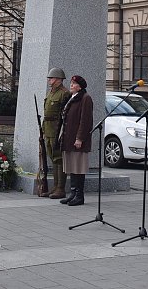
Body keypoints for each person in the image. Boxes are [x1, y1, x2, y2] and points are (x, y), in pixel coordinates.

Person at [58, 75, 93, 206]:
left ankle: (79, 195)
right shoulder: (72, 98)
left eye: (73, 84)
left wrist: (79, 138)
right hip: (68, 139)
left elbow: (85, 121)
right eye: (71, 83)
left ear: (80, 86)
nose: (71, 85)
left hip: (77, 141)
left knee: (78, 167)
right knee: (72, 167)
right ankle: (73, 193)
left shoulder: (85, 98)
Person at [41, 67, 70, 199]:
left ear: (58, 80)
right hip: (48, 129)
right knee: (53, 158)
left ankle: (60, 188)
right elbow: (46, 113)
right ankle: (55, 187)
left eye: (51, 78)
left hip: (57, 129)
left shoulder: (64, 93)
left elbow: (65, 115)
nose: (49, 80)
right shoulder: (51, 92)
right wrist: (42, 130)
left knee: (59, 159)